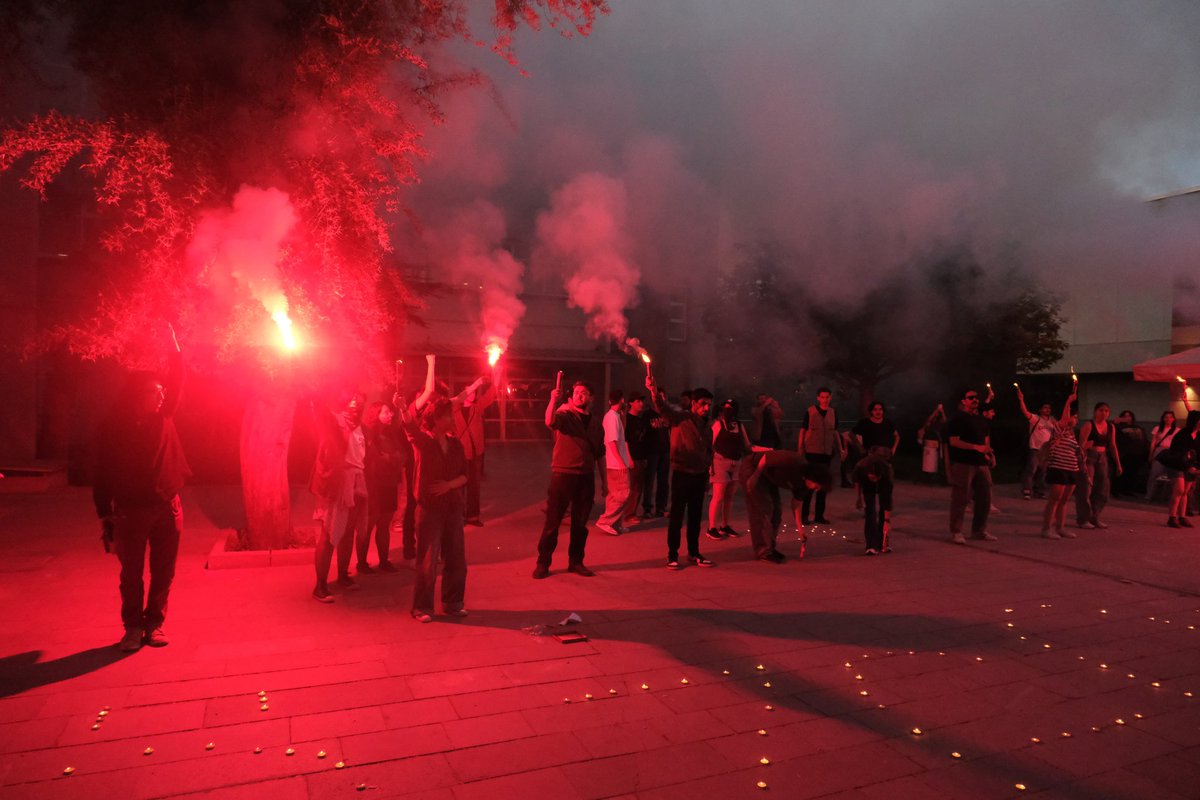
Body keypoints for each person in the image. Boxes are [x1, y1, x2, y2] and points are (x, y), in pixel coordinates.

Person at [93, 325, 189, 652]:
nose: (162, 395)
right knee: (131, 574)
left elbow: (177, 382)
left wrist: (174, 349)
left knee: (164, 571)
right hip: (130, 512)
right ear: (138, 396)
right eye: (154, 391)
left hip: (168, 507)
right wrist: (104, 515)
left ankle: (155, 624)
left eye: (162, 390)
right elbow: (101, 473)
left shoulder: (164, 419)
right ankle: (132, 628)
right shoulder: (114, 429)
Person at [398, 396, 468, 622]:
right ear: (437, 419)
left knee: (456, 559)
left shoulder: (456, 444)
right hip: (430, 509)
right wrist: (402, 409)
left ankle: (453, 603)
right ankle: (422, 608)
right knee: (428, 561)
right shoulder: (425, 443)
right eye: (448, 415)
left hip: (453, 508)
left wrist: (449, 485)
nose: (452, 418)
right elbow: (411, 430)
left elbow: (466, 475)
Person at [533, 378, 602, 578]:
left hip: (586, 477)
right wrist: (552, 401)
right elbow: (549, 421)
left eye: (584, 392)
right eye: (577, 392)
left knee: (580, 524)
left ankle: (576, 561)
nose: (580, 395)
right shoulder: (565, 415)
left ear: (591, 397)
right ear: (571, 396)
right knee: (553, 522)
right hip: (563, 475)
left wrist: (605, 482)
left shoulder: (596, 423)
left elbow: (600, 453)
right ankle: (543, 563)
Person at [648, 377, 716, 569]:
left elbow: (709, 449)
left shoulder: (707, 424)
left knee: (695, 516)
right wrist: (653, 391)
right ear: (693, 403)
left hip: (699, 474)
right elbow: (663, 408)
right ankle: (672, 554)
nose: (706, 408)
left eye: (709, 405)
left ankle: (694, 553)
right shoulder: (681, 417)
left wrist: (708, 472)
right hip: (682, 473)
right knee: (677, 516)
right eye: (703, 404)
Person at [310, 390, 368, 602]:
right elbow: (319, 408)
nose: (356, 405)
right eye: (352, 401)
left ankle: (343, 575)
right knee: (328, 534)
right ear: (343, 403)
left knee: (348, 532)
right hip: (336, 484)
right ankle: (320, 585)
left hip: (356, 482)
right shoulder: (333, 421)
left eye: (359, 403)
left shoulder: (361, 427)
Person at [743, 452, 831, 563]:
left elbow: (796, 505)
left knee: (777, 511)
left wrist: (800, 531)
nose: (816, 489)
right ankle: (763, 551)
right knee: (764, 510)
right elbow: (766, 458)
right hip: (754, 468)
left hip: (769, 479)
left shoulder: (804, 486)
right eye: (817, 486)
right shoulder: (794, 461)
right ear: (811, 478)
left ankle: (770, 548)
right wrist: (755, 476)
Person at [946, 388, 997, 545]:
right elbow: (953, 441)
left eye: (976, 397)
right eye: (971, 397)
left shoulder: (981, 419)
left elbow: (985, 441)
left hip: (981, 463)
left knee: (985, 498)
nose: (975, 400)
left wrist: (990, 454)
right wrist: (975, 447)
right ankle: (956, 531)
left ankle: (979, 530)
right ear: (963, 401)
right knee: (960, 498)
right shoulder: (958, 418)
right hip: (963, 463)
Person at [359, 400, 404, 573]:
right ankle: (362, 563)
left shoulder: (391, 433)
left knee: (384, 523)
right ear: (375, 414)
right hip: (374, 484)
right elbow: (374, 459)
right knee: (369, 523)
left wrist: (393, 457)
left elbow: (401, 454)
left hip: (389, 483)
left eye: (390, 412)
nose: (390, 415)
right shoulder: (370, 435)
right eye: (386, 412)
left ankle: (384, 561)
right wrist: (390, 458)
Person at [852, 402, 899, 553]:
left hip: (883, 464)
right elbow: (851, 434)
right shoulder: (862, 466)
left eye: (880, 409)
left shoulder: (886, 472)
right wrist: (858, 497)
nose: (878, 412)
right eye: (875, 409)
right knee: (870, 509)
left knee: (883, 507)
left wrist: (887, 520)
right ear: (871, 411)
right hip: (870, 461)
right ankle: (871, 544)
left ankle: (883, 541)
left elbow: (887, 502)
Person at [798, 387, 845, 524]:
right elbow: (803, 430)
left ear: (830, 398)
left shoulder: (833, 412)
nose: (825, 399)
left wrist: (840, 448)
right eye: (822, 397)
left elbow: (835, 432)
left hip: (826, 453)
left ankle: (819, 516)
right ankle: (804, 516)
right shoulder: (810, 411)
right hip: (812, 452)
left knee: (823, 485)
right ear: (818, 398)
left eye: (827, 397)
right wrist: (800, 448)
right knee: (809, 486)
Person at [709, 399, 754, 540]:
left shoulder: (739, 426)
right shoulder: (718, 424)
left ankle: (725, 525)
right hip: (720, 462)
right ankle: (711, 528)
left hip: (736, 463)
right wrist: (710, 465)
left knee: (729, 497)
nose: (728, 411)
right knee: (718, 496)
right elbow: (710, 444)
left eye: (731, 408)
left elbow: (747, 445)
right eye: (726, 408)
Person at [454, 379, 497, 527]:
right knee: (459, 487)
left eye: (473, 392)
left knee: (474, 486)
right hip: (460, 454)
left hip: (476, 453)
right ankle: (457, 516)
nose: (472, 393)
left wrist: (496, 374)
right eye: (469, 391)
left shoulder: (477, 407)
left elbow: (491, 395)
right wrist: (475, 385)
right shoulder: (455, 409)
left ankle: (472, 516)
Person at [1040, 388, 1081, 539]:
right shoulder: (1059, 427)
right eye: (1073, 416)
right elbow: (1065, 418)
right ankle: (1046, 528)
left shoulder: (1071, 434)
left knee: (1064, 500)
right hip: (1058, 466)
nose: (1075, 419)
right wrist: (1069, 401)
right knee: (1054, 499)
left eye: (1076, 417)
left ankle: (1060, 527)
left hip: (1071, 468)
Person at [1075, 402, 1123, 529]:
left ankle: (1095, 517)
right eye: (1101, 410)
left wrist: (1118, 464)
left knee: (1102, 488)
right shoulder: (1089, 425)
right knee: (1086, 488)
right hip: (1090, 457)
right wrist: (1083, 461)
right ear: (1095, 411)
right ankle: (1083, 519)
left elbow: (1113, 446)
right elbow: (1081, 445)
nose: (1104, 413)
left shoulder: (1110, 427)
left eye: (1107, 411)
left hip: (1102, 458)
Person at [596, 390, 635, 536]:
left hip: (614, 462)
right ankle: (605, 521)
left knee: (614, 495)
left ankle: (615, 524)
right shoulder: (611, 417)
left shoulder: (615, 416)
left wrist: (624, 415)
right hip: (615, 463)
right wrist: (621, 462)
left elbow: (622, 432)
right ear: (622, 400)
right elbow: (612, 441)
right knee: (623, 494)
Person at [1016, 388, 1057, 500]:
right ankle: (1027, 490)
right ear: (1040, 410)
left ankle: (1039, 491)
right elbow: (1025, 411)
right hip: (1035, 448)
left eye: (1048, 408)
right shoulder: (1035, 419)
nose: (1047, 410)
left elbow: (1058, 431)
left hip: (1046, 450)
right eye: (1045, 408)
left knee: (1043, 472)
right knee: (1031, 470)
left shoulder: (1052, 421)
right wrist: (1021, 399)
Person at [1163, 410, 1199, 528]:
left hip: (1191, 466)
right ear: (1194, 421)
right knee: (1179, 490)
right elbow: (1178, 454)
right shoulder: (1183, 434)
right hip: (1177, 464)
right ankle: (1172, 517)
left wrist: (1196, 468)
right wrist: (1188, 467)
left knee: (1185, 492)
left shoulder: (1198, 435)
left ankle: (1182, 517)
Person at [624, 392, 651, 528]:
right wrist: (629, 458)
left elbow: (644, 440)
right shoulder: (626, 419)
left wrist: (645, 457)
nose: (641, 404)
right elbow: (625, 440)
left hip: (641, 457)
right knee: (632, 487)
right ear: (631, 403)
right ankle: (628, 514)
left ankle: (632, 511)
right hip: (632, 457)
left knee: (639, 486)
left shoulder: (640, 420)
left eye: (642, 401)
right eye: (638, 401)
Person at [1146, 411, 1180, 502]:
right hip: (1159, 450)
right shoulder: (1157, 428)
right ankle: (1149, 495)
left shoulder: (1177, 430)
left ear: (1173, 419)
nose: (1168, 419)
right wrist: (1151, 453)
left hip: (1170, 451)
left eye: (1170, 417)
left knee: (1172, 475)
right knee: (1154, 473)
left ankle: (1169, 496)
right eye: (1166, 417)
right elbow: (1153, 442)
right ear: (1163, 418)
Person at [1113, 410, 1148, 498]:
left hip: (1137, 454)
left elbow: (1144, 439)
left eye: (1129, 416)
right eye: (1125, 416)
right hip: (1125, 453)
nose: (1127, 418)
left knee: (1132, 473)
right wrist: (1115, 423)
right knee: (1121, 472)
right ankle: (1116, 490)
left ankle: (1128, 489)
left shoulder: (1138, 427)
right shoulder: (1119, 427)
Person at [917, 404, 946, 485]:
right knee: (927, 463)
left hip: (937, 445)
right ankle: (926, 478)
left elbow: (945, 420)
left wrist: (942, 411)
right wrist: (937, 410)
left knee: (935, 464)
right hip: (928, 445)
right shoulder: (930, 424)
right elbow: (929, 420)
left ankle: (935, 479)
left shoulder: (939, 423)